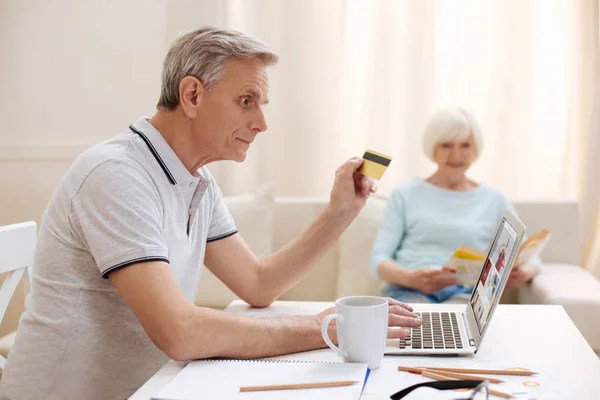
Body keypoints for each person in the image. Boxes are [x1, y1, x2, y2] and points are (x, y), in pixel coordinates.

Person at [0, 27, 422, 400]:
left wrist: (339, 213)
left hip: (154, 386)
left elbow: (257, 284)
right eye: (246, 100)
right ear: (192, 95)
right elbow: (180, 332)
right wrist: (325, 328)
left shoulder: (196, 180)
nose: (261, 122)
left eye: (262, 103)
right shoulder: (115, 175)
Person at [369, 107, 540, 304]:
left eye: (465, 145)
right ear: (433, 148)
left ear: (475, 148)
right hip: (409, 291)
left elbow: (530, 258)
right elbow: (378, 259)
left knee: (462, 330)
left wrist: (524, 273)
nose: (456, 155)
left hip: (468, 295)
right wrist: (412, 279)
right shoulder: (405, 193)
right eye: (446, 145)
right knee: (415, 328)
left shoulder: (495, 200)